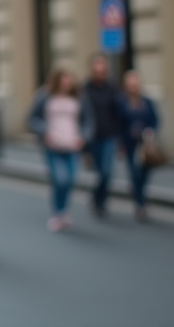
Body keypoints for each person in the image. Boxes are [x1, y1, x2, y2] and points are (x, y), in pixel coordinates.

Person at [28, 67, 93, 232]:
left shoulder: (79, 97)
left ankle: (64, 211)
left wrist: (83, 137)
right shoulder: (44, 95)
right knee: (60, 179)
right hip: (53, 146)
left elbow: (89, 121)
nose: (67, 82)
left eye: (69, 79)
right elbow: (31, 118)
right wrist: (44, 132)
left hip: (72, 146)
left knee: (70, 180)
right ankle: (57, 213)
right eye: (64, 79)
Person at [83, 53, 121, 218]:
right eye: (97, 67)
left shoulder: (112, 88)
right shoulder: (84, 89)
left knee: (107, 171)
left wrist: (120, 138)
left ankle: (99, 200)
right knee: (99, 172)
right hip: (92, 138)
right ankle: (97, 198)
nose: (100, 70)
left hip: (109, 136)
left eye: (103, 67)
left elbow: (118, 113)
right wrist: (84, 148)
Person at [119, 70, 160, 221]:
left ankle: (140, 196)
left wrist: (150, 131)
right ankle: (140, 203)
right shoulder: (121, 102)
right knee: (135, 173)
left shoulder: (146, 101)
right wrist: (120, 144)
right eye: (130, 85)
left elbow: (155, 119)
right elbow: (119, 123)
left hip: (145, 145)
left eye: (135, 84)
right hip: (129, 144)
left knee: (144, 174)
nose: (133, 87)